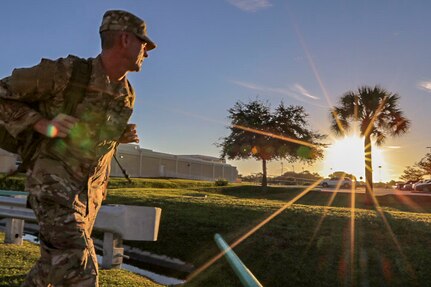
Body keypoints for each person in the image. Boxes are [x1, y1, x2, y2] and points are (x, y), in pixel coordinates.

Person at [0, 10, 156, 286]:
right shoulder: (65, 73)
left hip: (87, 196)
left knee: (50, 266)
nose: (147, 51)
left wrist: (118, 136)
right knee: (80, 266)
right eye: (143, 43)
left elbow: (89, 136)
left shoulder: (127, 95)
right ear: (124, 39)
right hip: (52, 187)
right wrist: (42, 124)